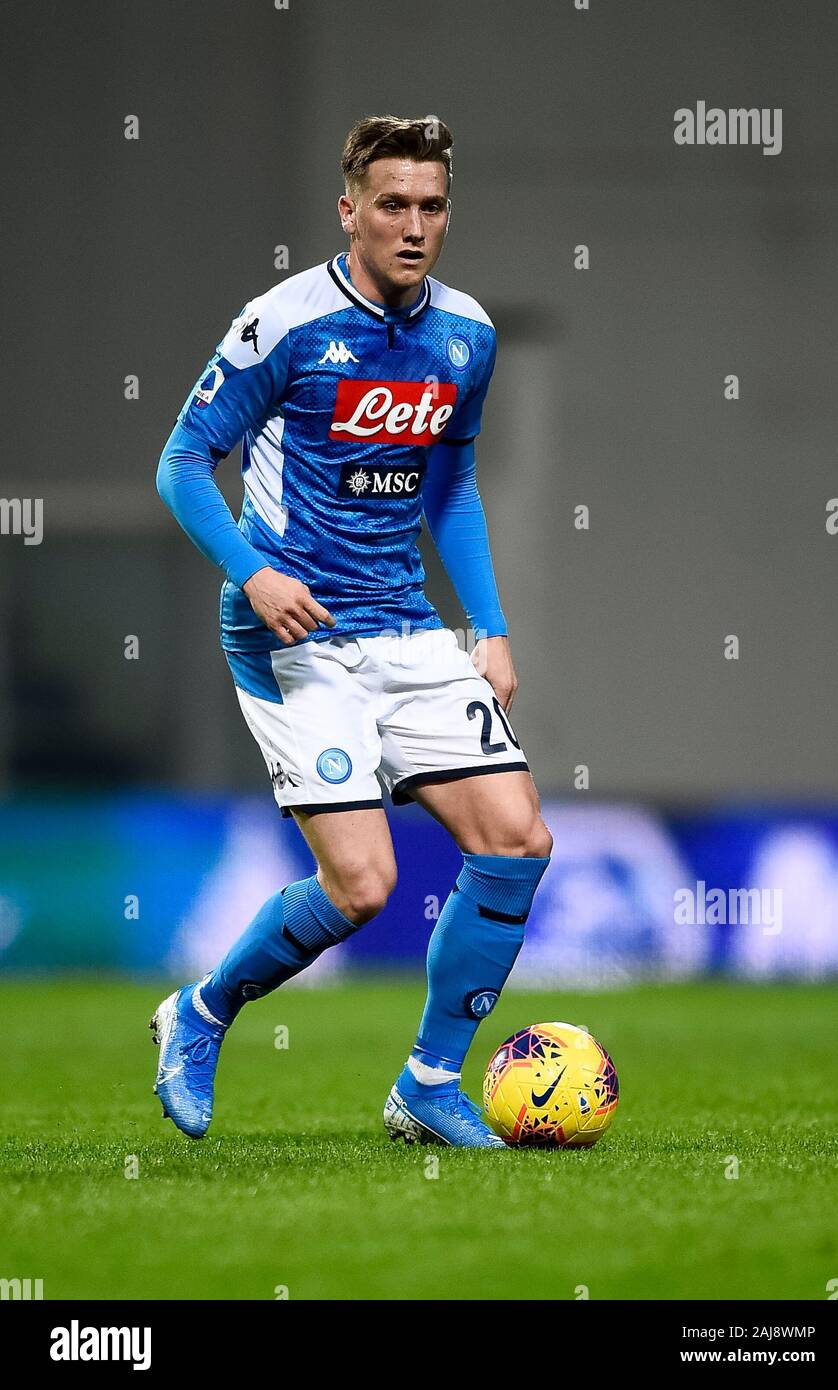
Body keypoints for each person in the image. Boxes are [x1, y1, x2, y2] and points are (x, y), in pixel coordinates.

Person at [151, 114, 553, 1148]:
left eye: (431, 206)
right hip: (297, 634)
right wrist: (255, 572)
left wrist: (490, 627)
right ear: (349, 212)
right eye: (392, 205)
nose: (413, 226)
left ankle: (426, 1081)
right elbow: (183, 463)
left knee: (516, 842)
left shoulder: (466, 334)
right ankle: (198, 1013)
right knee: (365, 885)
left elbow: (451, 483)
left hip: (409, 628)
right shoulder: (282, 322)